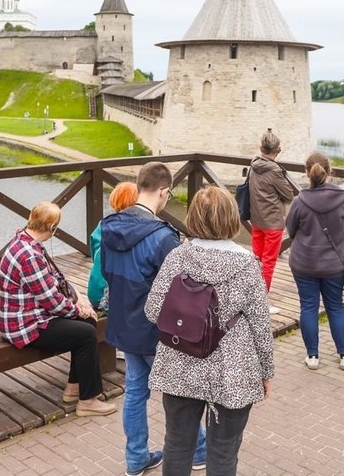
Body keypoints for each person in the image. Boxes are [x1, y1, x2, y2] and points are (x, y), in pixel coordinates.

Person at [145, 186, 274, 476]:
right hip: (233, 370)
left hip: (180, 363)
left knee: (177, 446)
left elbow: (152, 311)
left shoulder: (178, 257)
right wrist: (266, 372)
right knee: (224, 452)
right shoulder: (247, 264)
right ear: (231, 217)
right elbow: (261, 327)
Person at [101, 162, 206, 476]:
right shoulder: (162, 237)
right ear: (162, 191)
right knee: (179, 392)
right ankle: (199, 449)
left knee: (135, 391)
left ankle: (135, 458)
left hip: (124, 323)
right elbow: (181, 290)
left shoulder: (110, 226)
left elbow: (107, 272)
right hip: (156, 329)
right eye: (168, 193)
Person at [0, 201, 116, 417]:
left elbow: (55, 278)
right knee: (86, 331)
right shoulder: (30, 256)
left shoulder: (25, 241)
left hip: (29, 315)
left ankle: (74, 387)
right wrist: (79, 310)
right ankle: (88, 400)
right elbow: (51, 302)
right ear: (52, 228)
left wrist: (78, 297)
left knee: (87, 325)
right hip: (24, 325)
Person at [285, 153, 344, 371]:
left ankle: (313, 356)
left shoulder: (300, 201)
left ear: (307, 172)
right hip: (333, 264)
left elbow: (291, 229)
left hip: (304, 262)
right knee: (335, 307)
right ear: (330, 171)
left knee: (308, 306)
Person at [248, 128, 294, 314]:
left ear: (261, 148)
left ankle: (250, 297)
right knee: (268, 262)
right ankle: (261, 302)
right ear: (278, 150)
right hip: (273, 222)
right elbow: (288, 193)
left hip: (256, 219)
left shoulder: (254, 164)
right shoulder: (274, 170)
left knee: (256, 259)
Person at [87, 181, 139, 310]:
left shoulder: (103, 224)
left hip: (94, 292)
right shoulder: (139, 228)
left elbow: (95, 253)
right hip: (116, 298)